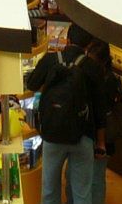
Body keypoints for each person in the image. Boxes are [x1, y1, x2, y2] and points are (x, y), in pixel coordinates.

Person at [25, 24, 113, 204]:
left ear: (67, 39)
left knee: (49, 190)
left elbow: (32, 84)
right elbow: (99, 109)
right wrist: (101, 142)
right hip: (83, 136)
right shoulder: (92, 67)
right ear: (88, 45)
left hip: (52, 135)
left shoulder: (50, 60)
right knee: (82, 193)